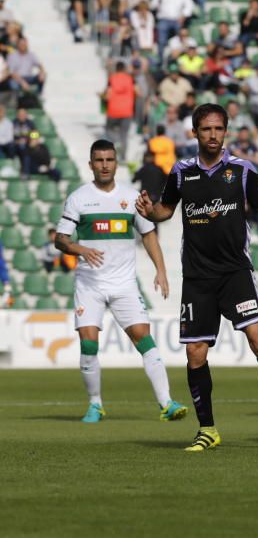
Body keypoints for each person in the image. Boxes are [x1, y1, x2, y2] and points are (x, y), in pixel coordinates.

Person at [135, 103, 258, 452]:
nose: (213, 135)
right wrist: (151, 210)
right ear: (194, 132)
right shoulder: (181, 172)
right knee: (195, 353)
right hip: (197, 276)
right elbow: (166, 209)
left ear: (226, 131)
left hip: (234, 272)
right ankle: (207, 429)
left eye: (218, 129)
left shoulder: (241, 170)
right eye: (206, 129)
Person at [55, 139, 186, 423]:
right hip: (90, 284)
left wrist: (160, 270)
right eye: (99, 160)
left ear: (116, 163)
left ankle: (167, 403)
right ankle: (95, 404)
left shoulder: (131, 197)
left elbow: (149, 234)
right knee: (89, 344)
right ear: (91, 165)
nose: (104, 165)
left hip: (124, 284)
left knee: (145, 340)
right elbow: (61, 240)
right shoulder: (79, 198)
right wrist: (81, 249)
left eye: (109, 160)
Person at [104, 61, 136, 161]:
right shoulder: (130, 79)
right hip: (127, 111)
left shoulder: (112, 79)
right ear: (124, 69)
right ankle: (123, 157)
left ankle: (114, 144)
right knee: (124, 134)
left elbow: (107, 95)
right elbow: (138, 92)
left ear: (116, 69)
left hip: (113, 110)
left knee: (109, 130)